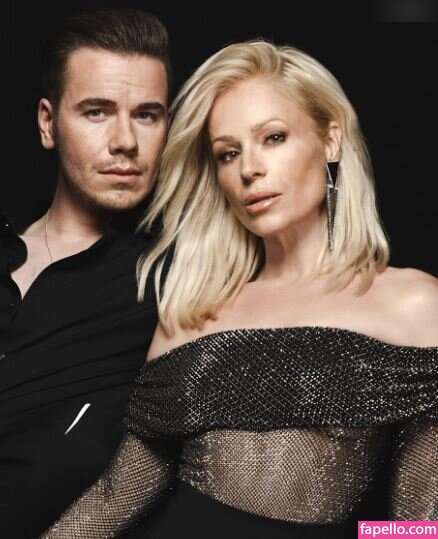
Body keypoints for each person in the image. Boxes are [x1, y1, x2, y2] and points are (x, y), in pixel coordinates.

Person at [42, 40, 437, 539]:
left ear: (330, 141)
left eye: (273, 138)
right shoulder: (194, 313)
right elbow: (115, 497)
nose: (249, 169)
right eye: (228, 153)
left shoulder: (415, 305)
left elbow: (422, 525)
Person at [0, 8, 170, 538]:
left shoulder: (171, 282)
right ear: (47, 123)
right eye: (97, 112)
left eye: (147, 115)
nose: (125, 141)